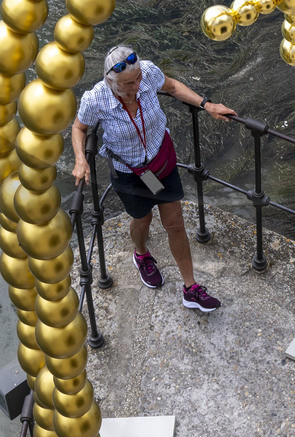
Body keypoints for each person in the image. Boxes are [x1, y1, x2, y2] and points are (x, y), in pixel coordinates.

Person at [72, 47, 233, 312]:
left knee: (175, 223)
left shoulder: (146, 72)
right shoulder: (96, 98)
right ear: (111, 81)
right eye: (128, 84)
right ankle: (141, 253)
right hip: (130, 172)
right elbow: (79, 128)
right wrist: (80, 159)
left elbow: (171, 87)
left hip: (160, 161)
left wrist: (207, 105)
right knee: (142, 219)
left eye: (137, 80)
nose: (137, 85)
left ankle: (191, 288)